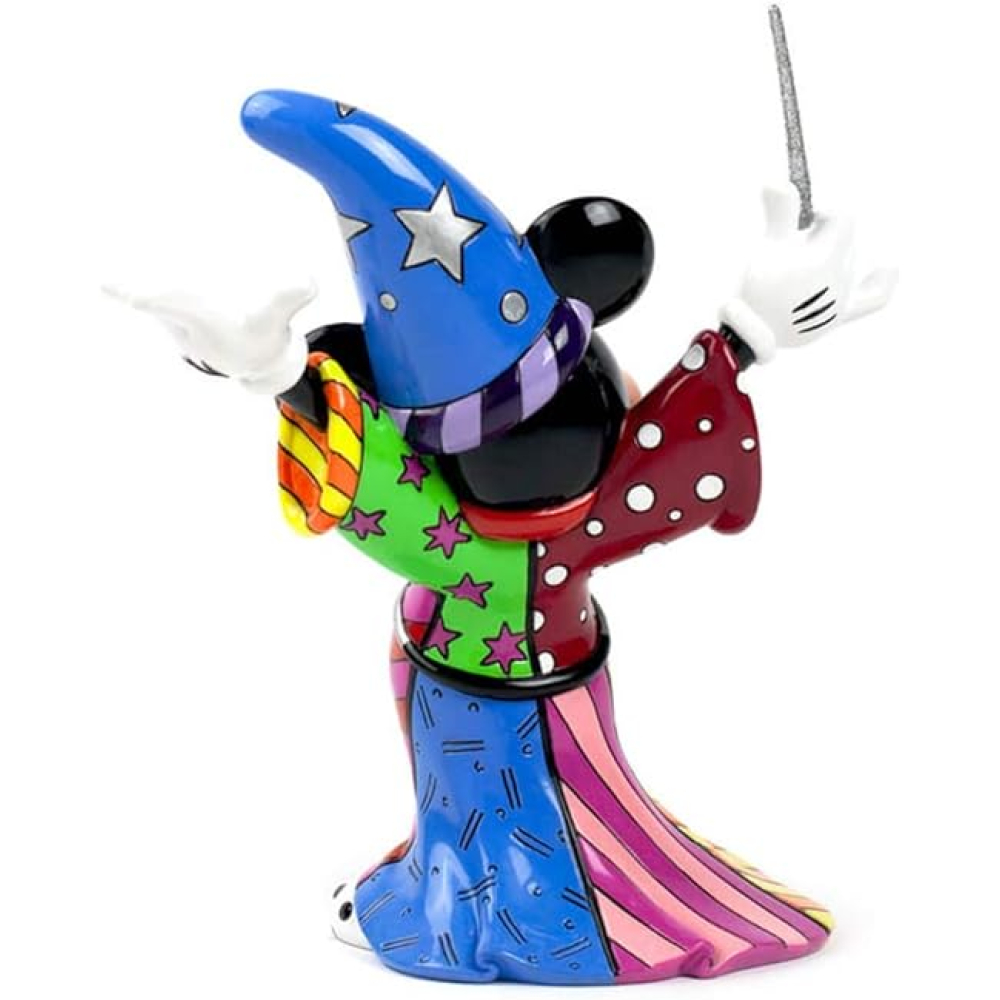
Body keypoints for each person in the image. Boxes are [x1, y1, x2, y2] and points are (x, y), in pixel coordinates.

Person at [107, 90, 894, 984]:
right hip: (477, 682)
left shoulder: (481, 537)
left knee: (529, 806)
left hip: (509, 692)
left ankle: (517, 915)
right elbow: (660, 451)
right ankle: (451, 880)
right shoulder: (537, 522)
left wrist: (285, 377)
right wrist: (749, 331)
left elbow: (386, 490)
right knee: (468, 799)